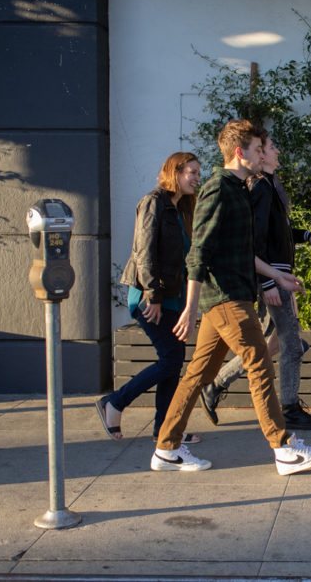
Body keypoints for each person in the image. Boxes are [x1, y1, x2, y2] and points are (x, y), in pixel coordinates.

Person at [150, 119, 311, 475]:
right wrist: (189, 308)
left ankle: (166, 448)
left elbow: (245, 250)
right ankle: (283, 448)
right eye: (257, 149)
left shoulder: (241, 189)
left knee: (197, 375)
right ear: (240, 152)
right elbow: (199, 251)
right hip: (225, 297)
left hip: (235, 294)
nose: (263, 153)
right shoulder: (218, 188)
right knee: (260, 363)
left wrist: (277, 275)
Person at [199, 136, 311, 430]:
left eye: (266, 148)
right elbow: (253, 238)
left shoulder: (270, 186)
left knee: (268, 346)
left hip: (276, 273)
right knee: (292, 346)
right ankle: (289, 409)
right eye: (270, 148)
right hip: (272, 276)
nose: (274, 151)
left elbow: (276, 231)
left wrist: (306, 235)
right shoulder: (260, 186)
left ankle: (215, 385)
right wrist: (267, 283)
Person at [95, 152, 202, 444]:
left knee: (173, 360)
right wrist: (152, 296)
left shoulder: (182, 208)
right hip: (149, 295)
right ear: (175, 172)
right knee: (170, 360)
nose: (196, 177)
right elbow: (144, 252)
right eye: (191, 172)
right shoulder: (154, 202)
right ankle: (115, 403)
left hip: (172, 296)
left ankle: (164, 430)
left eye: (197, 173)